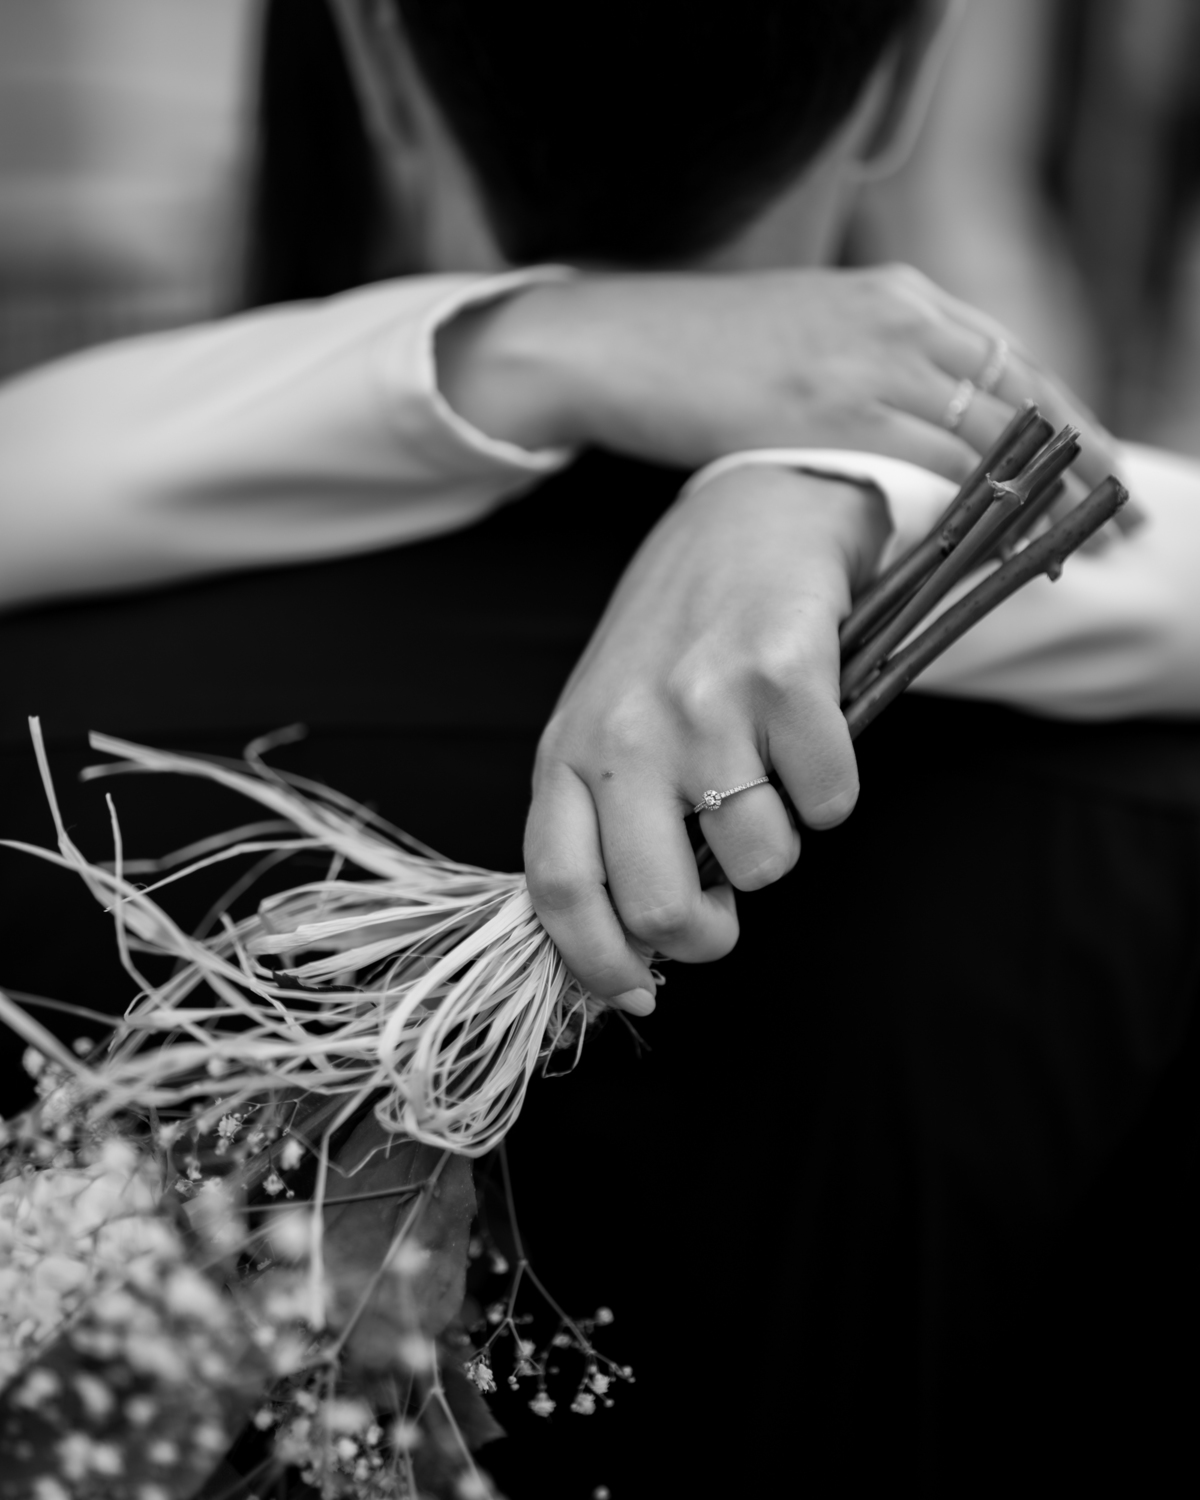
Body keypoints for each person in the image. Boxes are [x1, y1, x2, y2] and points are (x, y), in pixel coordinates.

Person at [1, 1, 1199, 1494]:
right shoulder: (1147, 817)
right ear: (906, 82)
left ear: (377, 60)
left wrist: (590, 380)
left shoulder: (52, 749)